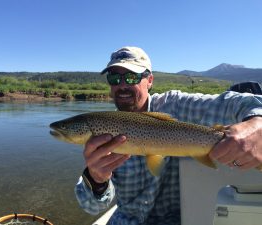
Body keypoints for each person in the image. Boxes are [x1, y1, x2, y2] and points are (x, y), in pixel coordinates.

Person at [75, 46, 262, 225]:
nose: (122, 85)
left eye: (131, 77)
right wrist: (97, 179)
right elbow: (91, 206)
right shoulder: (104, 130)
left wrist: (256, 124)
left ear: (149, 81)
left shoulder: (176, 106)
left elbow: (241, 102)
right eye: (114, 78)